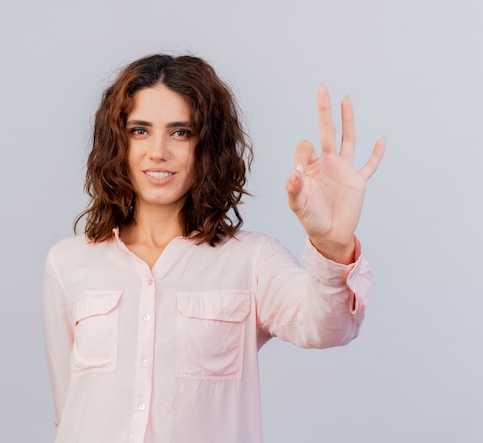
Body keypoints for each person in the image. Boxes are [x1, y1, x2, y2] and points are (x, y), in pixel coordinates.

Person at [42, 54, 385, 443]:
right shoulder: (67, 263)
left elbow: (328, 327)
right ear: (116, 142)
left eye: (180, 132)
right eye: (139, 130)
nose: (158, 151)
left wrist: (333, 244)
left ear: (208, 146)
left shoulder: (252, 260)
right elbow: (69, 411)